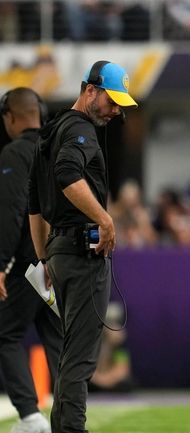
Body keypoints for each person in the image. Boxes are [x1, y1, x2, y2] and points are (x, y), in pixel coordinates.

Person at [28, 60, 137, 433]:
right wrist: (105, 220)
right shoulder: (80, 130)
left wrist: (44, 257)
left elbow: (35, 206)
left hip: (57, 253)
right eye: (112, 100)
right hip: (80, 254)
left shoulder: (50, 130)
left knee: (68, 353)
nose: (116, 110)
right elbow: (66, 174)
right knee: (80, 356)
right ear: (90, 90)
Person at [0, 87, 62, 433]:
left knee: (5, 335)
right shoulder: (59, 148)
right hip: (62, 259)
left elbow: (10, 213)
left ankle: (30, 416)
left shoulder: (15, 153)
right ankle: (69, 417)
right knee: (57, 338)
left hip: (29, 261)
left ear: (10, 117)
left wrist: (1, 262)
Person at [89, 303, 132, 393]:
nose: (110, 328)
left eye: (114, 323)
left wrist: (105, 380)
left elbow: (122, 371)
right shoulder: (89, 340)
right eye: (107, 323)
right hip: (93, 380)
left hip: (110, 381)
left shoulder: (119, 346)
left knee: (127, 384)